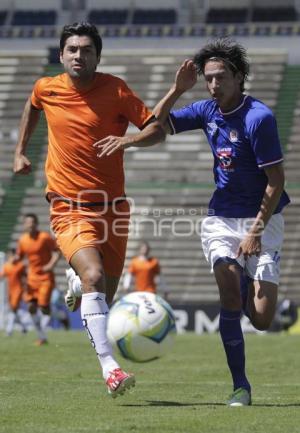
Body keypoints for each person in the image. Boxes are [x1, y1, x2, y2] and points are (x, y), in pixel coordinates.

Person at [97, 38, 290, 405]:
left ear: (238, 76)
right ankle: (240, 387)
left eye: (220, 77)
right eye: (208, 79)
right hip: (220, 219)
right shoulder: (206, 110)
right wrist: (174, 91)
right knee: (229, 290)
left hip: (264, 219)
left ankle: (248, 275)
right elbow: (157, 126)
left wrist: (256, 231)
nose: (213, 85)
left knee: (263, 319)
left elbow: (276, 181)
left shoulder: (259, 118)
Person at [13, 22, 165, 397]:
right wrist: (19, 150)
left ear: (98, 55)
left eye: (87, 50)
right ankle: (110, 370)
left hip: (114, 209)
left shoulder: (115, 89)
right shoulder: (46, 88)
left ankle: (77, 280)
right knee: (95, 276)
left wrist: (128, 140)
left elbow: (157, 129)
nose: (79, 55)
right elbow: (32, 108)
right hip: (68, 205)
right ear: (62, 54)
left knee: (104, 300)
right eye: (73, 50)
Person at [16, 213, 60, 345]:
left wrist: (51, 265)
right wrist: (15, 262)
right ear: (24, 225)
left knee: (43, 306)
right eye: (28, 223)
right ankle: (42, 336)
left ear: (36, 223)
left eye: (32, 222)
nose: (30, 225)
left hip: (46, 277)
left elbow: (57, 251)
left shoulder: (45, 237)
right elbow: (19, 257)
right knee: (30, 307)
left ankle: (60, 316)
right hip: (32, 278)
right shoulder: (22, 240)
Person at [0, 248, 27, 336]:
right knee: (14, 310)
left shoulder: (20, 265)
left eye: (12, 255)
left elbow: (26, 276)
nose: (11, 257)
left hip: (18, 290)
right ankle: (23, 327)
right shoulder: (7, 266)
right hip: (10, 291)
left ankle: (9, 330)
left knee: (13, 309)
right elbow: (1, 276)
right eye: (10, 255)